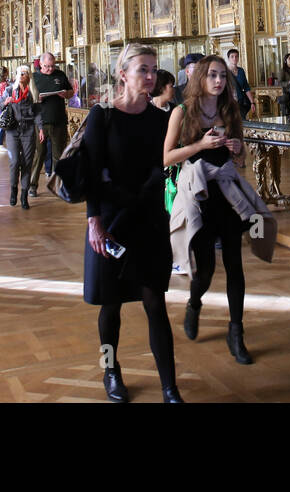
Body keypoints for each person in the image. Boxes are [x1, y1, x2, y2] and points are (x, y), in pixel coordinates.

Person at [84, 44, 182, 402]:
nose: (151, 76)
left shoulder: (161, 118)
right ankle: (111, 370)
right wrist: (94, 222)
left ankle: (170, 386)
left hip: (149, 219)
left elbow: (170, 161)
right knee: (111, 305)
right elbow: (92, 173)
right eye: (143, 69)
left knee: (155, 301)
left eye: (154, 70)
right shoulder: (103, 115)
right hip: (111, 222)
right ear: (122, 73)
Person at [165, 55, 273, 365]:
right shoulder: (182, 112)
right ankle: (194, 302)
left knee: (235, 265)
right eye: (212, 75)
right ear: (200, 78)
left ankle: (236, 332)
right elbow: (167, 157)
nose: (218, 81)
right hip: (199, 196)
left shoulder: (229, 109)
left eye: (222, 76)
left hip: (226, 196)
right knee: (207, 269)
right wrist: (200, 146)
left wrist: (238, 149)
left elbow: (238, 155)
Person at [29, 53, 74, 197]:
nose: (50, 69)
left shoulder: (60, 75)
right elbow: (29, 99)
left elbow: (71, 92)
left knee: (58, 155)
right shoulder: (34, 78)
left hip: (59, 121)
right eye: (47, 66)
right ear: (41, 65)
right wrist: (37, 98)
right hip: (41, 122)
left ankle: (58, 186)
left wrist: (65, 94)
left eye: (52, 66)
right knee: (39, 154)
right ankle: (32, 185)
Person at [1, 65, 40, 209]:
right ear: (16, 75)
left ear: (29, 76)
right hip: (13, 130)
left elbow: (38, 112)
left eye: (25, 73)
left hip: (28, 130)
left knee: (27, 162)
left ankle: (24, 195)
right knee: (15, 161)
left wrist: (40, 128)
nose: (22, 76)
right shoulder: (10, 90)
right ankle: (13, 190)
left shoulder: (33, 92)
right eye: (20, 73)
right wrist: (5, 102)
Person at [226, 48, 253, 117]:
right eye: (232, 56)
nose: (234, 58)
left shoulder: (241, 71)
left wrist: (252, 102)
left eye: (236, 56)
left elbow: (246, 87)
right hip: (229, 103)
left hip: (241, 102)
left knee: (242, 123)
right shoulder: (225, 72)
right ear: (228, 58)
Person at [278, 52, 290, 116]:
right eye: (289, 58)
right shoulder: (283, 70)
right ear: (285, 60)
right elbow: (279, 82)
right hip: (286, 94)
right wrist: (288, 83)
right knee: (286, 114)